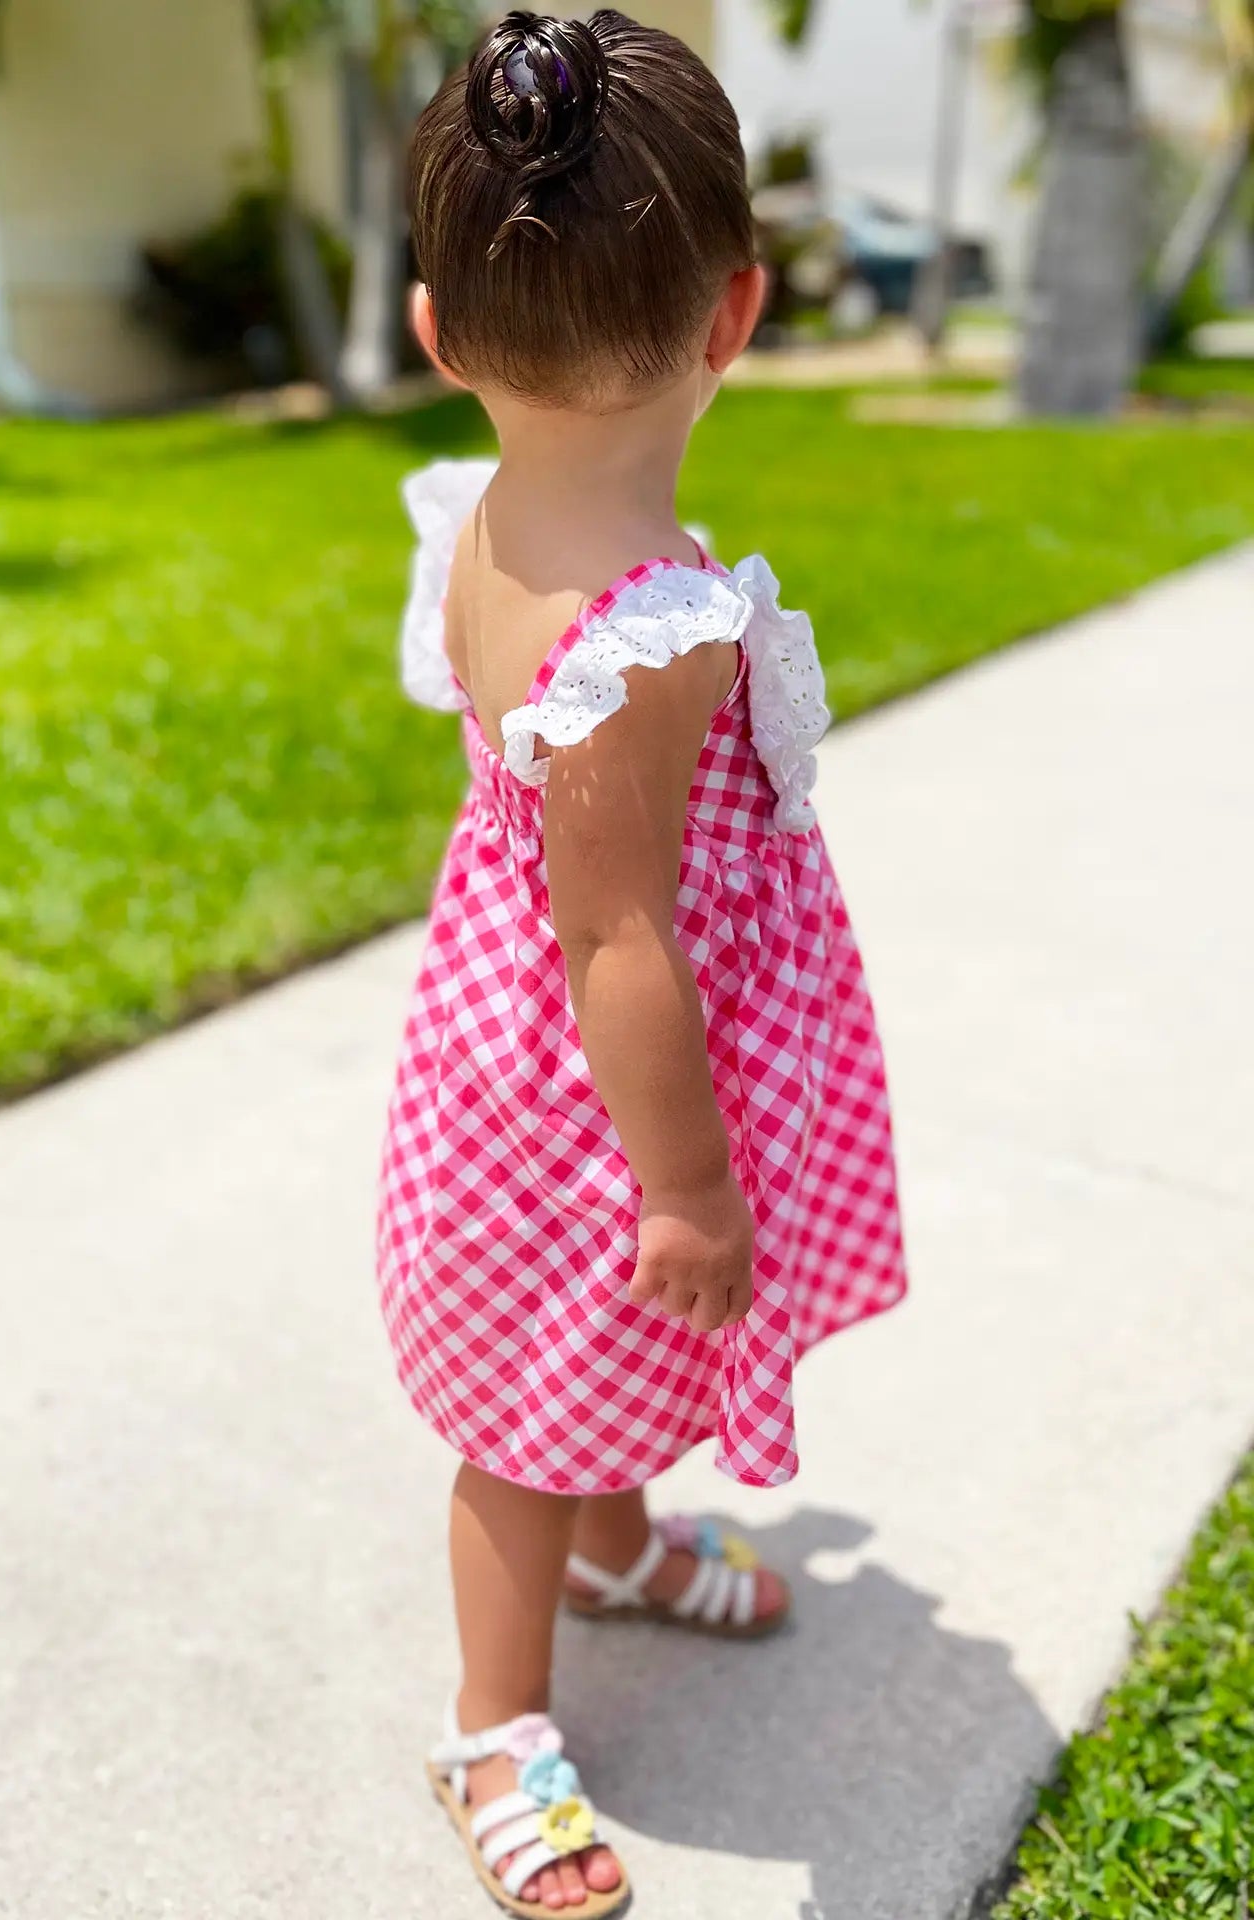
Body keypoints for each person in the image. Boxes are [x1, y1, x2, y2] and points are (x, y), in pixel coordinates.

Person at [377, 11, 907, 1913]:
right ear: (735, 316)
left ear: (437, 333)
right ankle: (495, 1721)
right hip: (602, 1091)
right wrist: (688, 1182)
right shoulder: (648, 630)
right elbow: (618, 928)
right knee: (529, 1406)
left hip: (505, 1050)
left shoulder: (484, 519)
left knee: (569, 1352)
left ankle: (617, 1543)